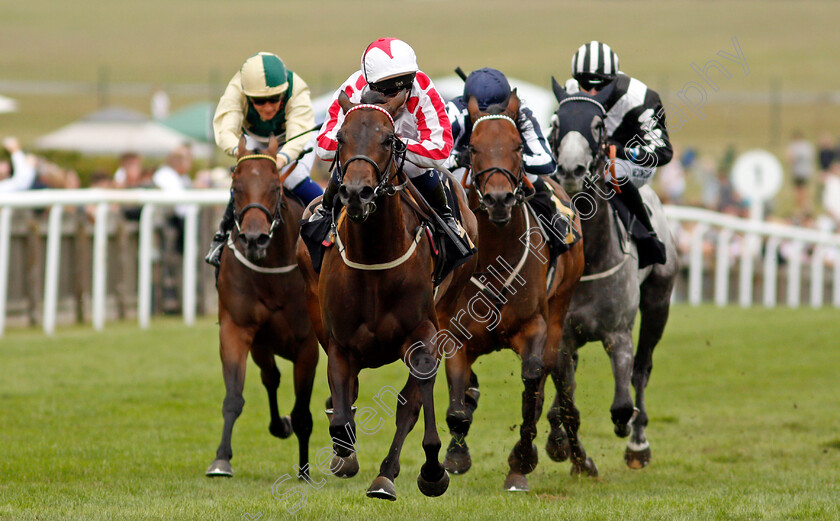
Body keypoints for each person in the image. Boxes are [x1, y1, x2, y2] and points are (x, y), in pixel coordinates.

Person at [312, 38, 461, 239]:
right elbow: (323, 147)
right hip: (364, 156)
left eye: (406, 85)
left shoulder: (423, 88)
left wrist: (394, 145)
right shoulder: (351, 91)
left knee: (418, 168)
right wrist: (362, 146)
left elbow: (439, 150)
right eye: (389, 91)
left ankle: (444, 216)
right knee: (347, 165)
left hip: (408, 158)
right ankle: (325, 211)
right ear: (369, 85)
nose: (399, 96)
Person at [205, 52, 323, 267]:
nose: (268, 107)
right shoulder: (236, 88)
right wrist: (242, 156)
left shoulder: (297, 88)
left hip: (294, 138)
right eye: (259, 101)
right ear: (247, 94)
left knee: (293, 177)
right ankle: (221, 237)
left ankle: (332, 226)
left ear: (284, 91)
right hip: (254, 141)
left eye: (275, 99)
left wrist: (278, 160)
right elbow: (225, 130)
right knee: (247, 178)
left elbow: (299, 133)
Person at [561, 41, 672, 267]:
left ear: (613, 80)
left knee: (611, 173)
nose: (592, 92)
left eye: (600, 85)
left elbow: (663, 151)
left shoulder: (641, 98)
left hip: (632, 162)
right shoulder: (570, 90)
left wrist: (620, 151)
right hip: (592, 160)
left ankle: (646, 238)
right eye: (585, 84)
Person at [444, 67, 569, 255]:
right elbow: (431, 158)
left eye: (499, 110)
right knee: (443, 188)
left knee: (538, 182)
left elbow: (547, 162)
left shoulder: (521, 112)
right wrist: (457, 159)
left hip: (510, 168)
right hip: (467, 166)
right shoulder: (453, 113)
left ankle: (556, 234)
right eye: (483, 112)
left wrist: (507, 160)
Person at [785, 130, 815, 215]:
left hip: (798, 172)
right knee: (803, 190)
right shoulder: (808, 146)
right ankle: (805, 206)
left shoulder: (794, 146)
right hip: (806, 172)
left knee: (799, 191)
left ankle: (803, 207)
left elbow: (790, 158)